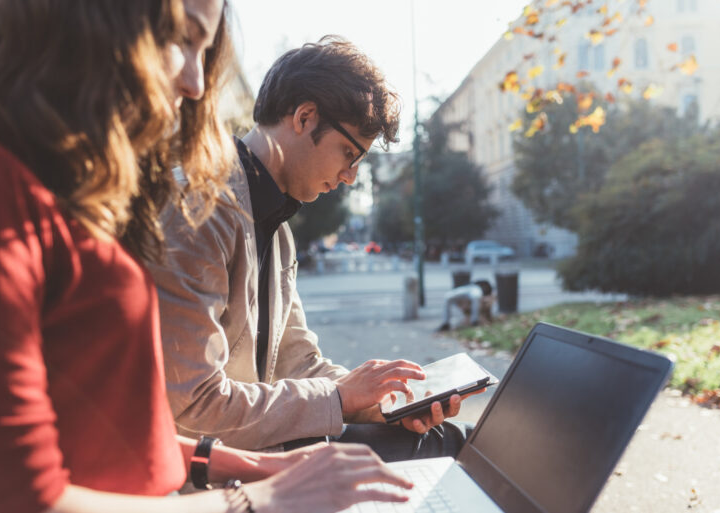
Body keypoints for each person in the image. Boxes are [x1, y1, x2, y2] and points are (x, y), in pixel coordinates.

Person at [0, 1, 412, 512]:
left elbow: (139, 433)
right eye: (182, 40)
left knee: (435, 446)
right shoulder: (194, 205)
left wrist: (365, 404)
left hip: (211, 468)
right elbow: (28, 493)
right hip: (188, 494)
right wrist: (253, 498)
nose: (196, 84)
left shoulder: (273, 225)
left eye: (202, 52)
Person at [149, 36, 479, 462]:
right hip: (216, 469)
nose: (350, 176)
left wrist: (384, 404)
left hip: (265, 444)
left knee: (459, 439)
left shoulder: (278, 228)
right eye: (349, 152)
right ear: (305, 117)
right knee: (455, 451)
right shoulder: (199, 209)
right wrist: (340, 398)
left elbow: (299, 364)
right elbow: (191, 408)